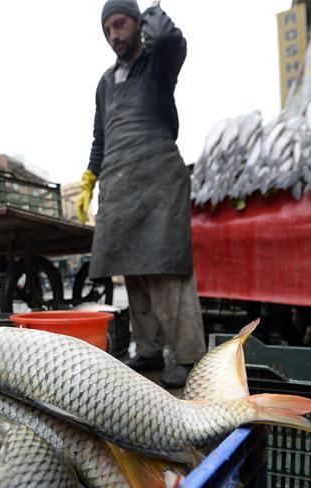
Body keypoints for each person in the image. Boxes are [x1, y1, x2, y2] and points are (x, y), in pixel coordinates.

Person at [76, 0, 206, 388]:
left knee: (168, 269)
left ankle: (188, 357)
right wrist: (89, 178)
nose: (115, 35)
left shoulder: (157, 63)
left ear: (136, 23)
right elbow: (101, 137)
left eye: (121, 24)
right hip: (118, 184)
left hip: (158, 176)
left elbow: (168, 37)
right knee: (132, 272)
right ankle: (147, 350)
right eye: (108, 30)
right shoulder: (104, 82)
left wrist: (150, 9)